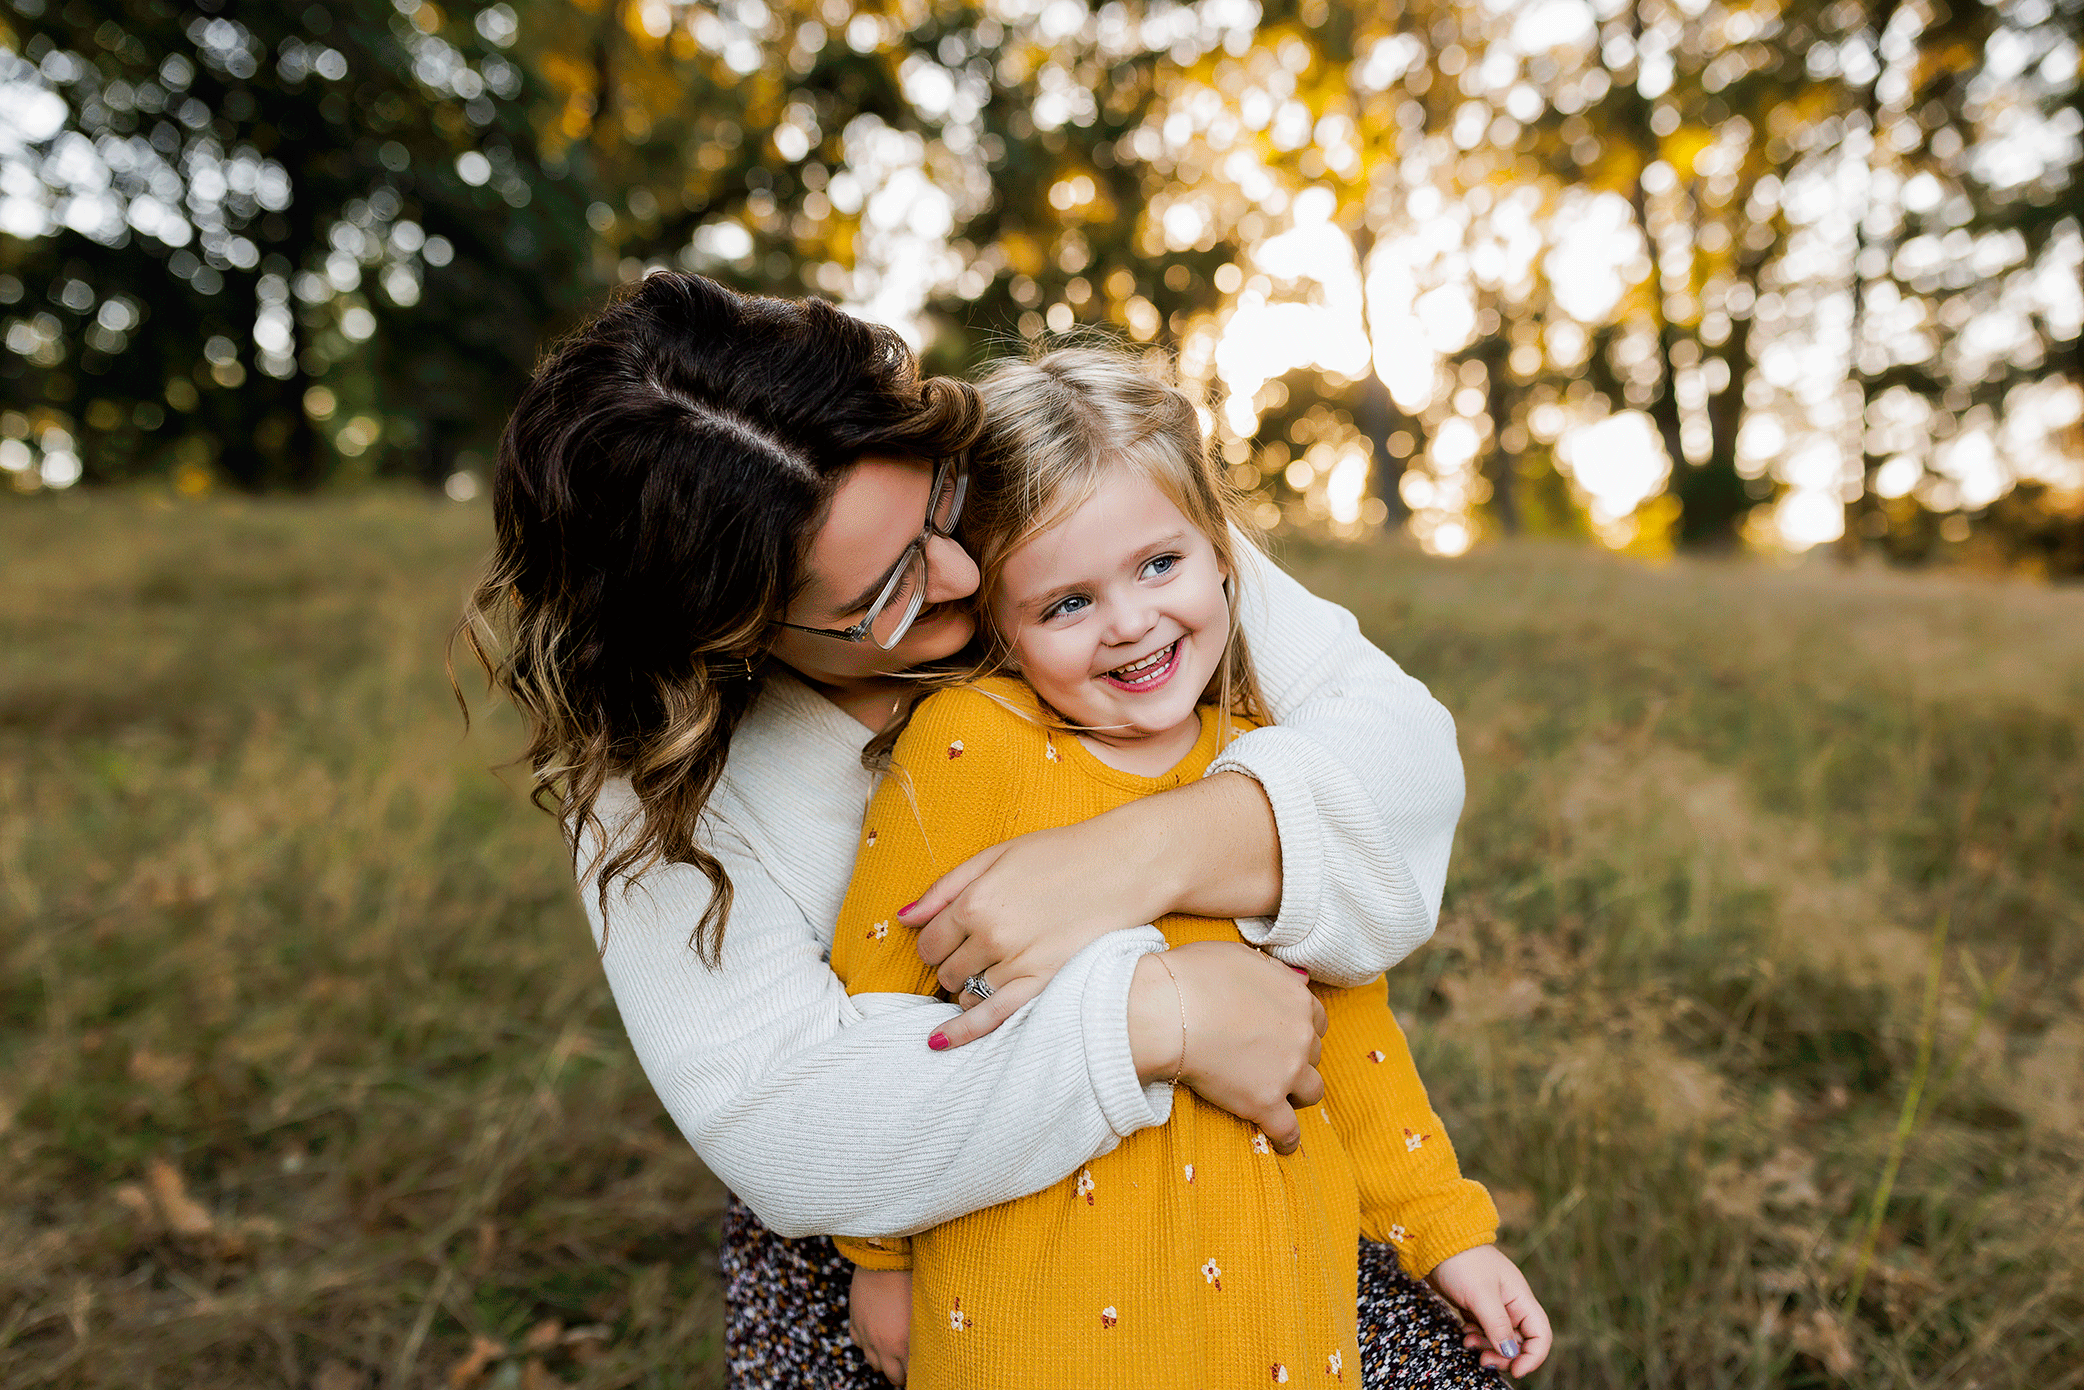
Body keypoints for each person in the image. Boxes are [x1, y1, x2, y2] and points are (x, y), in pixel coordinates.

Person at [459, 273, 1502, 1386]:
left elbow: (1399, 756)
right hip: (909, 1219)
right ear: (731, 637)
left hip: (1239, 1161)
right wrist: (1158, 1015)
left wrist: (1141, 853)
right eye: (887, 593)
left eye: (936, 510)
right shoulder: (648, 775)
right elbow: (784, 1111)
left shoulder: (1075, 520)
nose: (966, 575)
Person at [831, 347, 1550, 1388]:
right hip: (1034, 1304)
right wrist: (877, 1256)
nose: (1129, 621)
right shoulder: (966, 744)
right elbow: (879, 1002)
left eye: (1157, 565)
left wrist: (1446, 1231)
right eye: (1065, 604)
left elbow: (1349, 1035)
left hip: (1270, 1302)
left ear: (1221, 554)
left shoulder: (1268, 761)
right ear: (1000, 623)